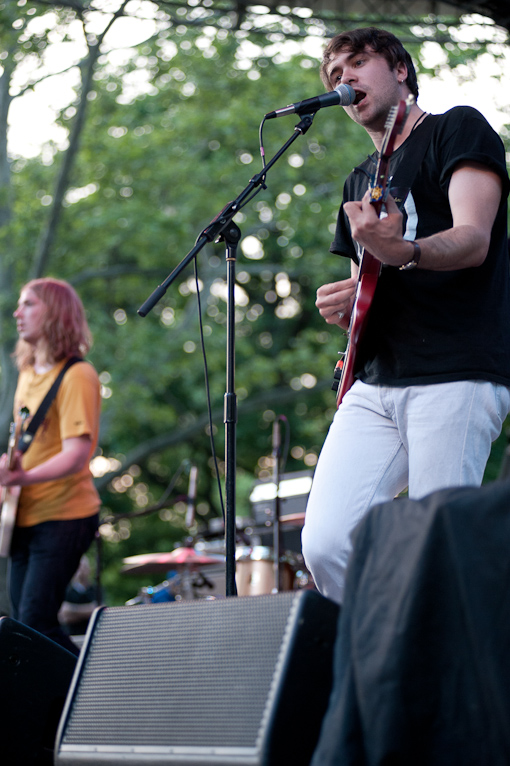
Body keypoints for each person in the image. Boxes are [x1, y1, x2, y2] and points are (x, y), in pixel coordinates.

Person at [301, 27, 510, 605]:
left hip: (456, 369)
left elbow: (473, 240)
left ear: (399, 70)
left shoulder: (456, 128)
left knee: (443, 544)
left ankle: (455, 678)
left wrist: (405, 252)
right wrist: (343, 305)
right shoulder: (357, 182)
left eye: (358, 63)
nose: (344, 79)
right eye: (334, 74)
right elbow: (369, 287)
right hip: (378, 378)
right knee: (326, 544)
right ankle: (390, 656)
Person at [0, 277, 101, 655]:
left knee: (36, 625)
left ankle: (94, 692)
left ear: (54, 312)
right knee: (22, 626)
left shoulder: (78, 375)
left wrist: (22, 476)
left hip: (64, 515)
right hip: (24, 516)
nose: (17, 312)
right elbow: (30, 444)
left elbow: (77, 454)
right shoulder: (27, 373)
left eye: (28, 304)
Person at [58, 554, 98, 637]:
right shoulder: (65, 590)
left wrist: (72, 610)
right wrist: (89, 611)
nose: (80, 570)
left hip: (92, 636)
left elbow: (100, 611)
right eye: (78, 566)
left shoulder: (96, 589)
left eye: (83, 567)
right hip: (71, 637)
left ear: (89, 569)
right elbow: (64, 616)